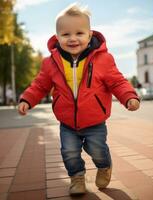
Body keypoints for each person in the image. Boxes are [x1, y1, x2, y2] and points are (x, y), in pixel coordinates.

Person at [18, 3, 140, 196]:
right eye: (65, 34)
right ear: (57, 37)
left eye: (79, 33)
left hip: (95, 120)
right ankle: (77, 179)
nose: (73, 38)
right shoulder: (50, 63)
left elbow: (117, 82)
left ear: (90, 35)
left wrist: (129, 97)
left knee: (97, 149)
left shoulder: (103, 59)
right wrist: (27, 99)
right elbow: (40, 85)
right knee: (69, 152)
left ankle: (104, 166)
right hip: (67, 122)